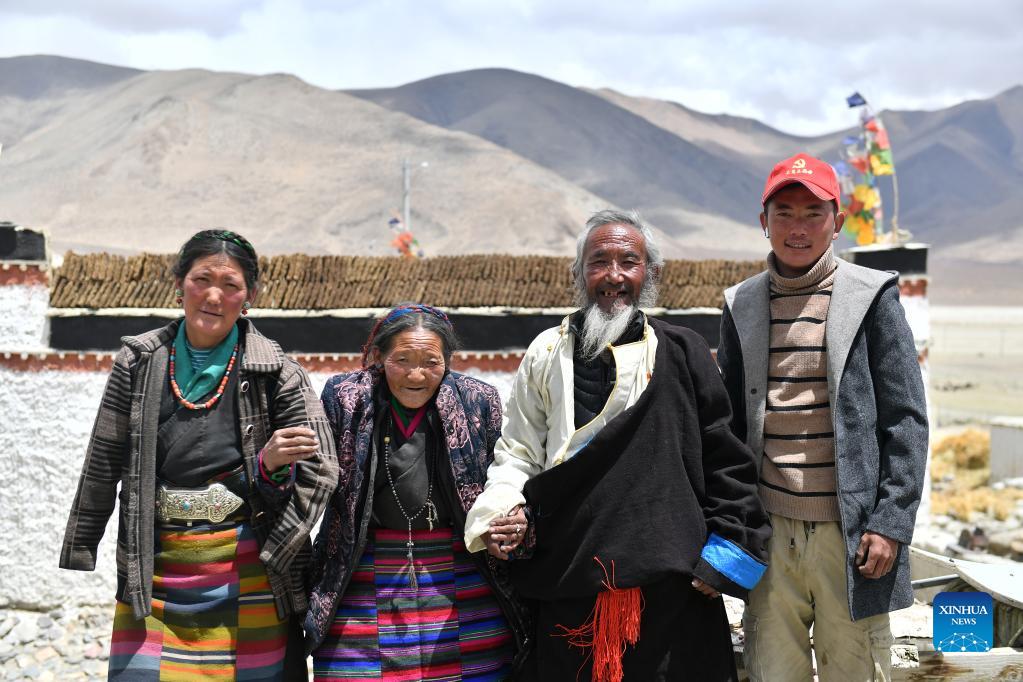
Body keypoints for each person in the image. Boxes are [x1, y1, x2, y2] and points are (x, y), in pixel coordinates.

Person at [463, 210, 771, 682]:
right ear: (579, 273)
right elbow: (519, 452)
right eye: (599, 261)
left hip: (673, 585)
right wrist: (502, 511)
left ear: (650, 273)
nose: (613, 276)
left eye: (629, 261)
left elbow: (724, 458)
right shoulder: (546, 352)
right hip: (571, 577)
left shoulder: (683, 351)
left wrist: (725, 554)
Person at [60, 229, 339, 680]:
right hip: (155, 568)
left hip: (250, 568)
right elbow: (104, 456)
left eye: (230, 285)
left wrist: (280, 547)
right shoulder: (139, 362)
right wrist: (82, 541)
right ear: (179, 284)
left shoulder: (277, 372)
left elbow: (321, 468)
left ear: (249, 297)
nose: (213, 296)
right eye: (202, 280)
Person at [717, 153, 929, 681]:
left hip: (851, 537)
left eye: (814, 213)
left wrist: (890, 523)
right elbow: (729, 426)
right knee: (772, 671)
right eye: (784, 213)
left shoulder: (871, 297)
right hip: (771, 533)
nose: (799, 228)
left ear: (837, 221)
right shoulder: (741, 304)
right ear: (763, 221)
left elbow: (906, 419)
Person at [304, 304, 531, 680]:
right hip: (363, 569)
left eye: (431, 362)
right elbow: (316, 473)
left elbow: (507, 473)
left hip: (461, 571)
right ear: (379, 357)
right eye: (402, 360)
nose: (415, 374)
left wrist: (513, 515)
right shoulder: (347, 399)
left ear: (448, 360)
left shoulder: (476, 401)